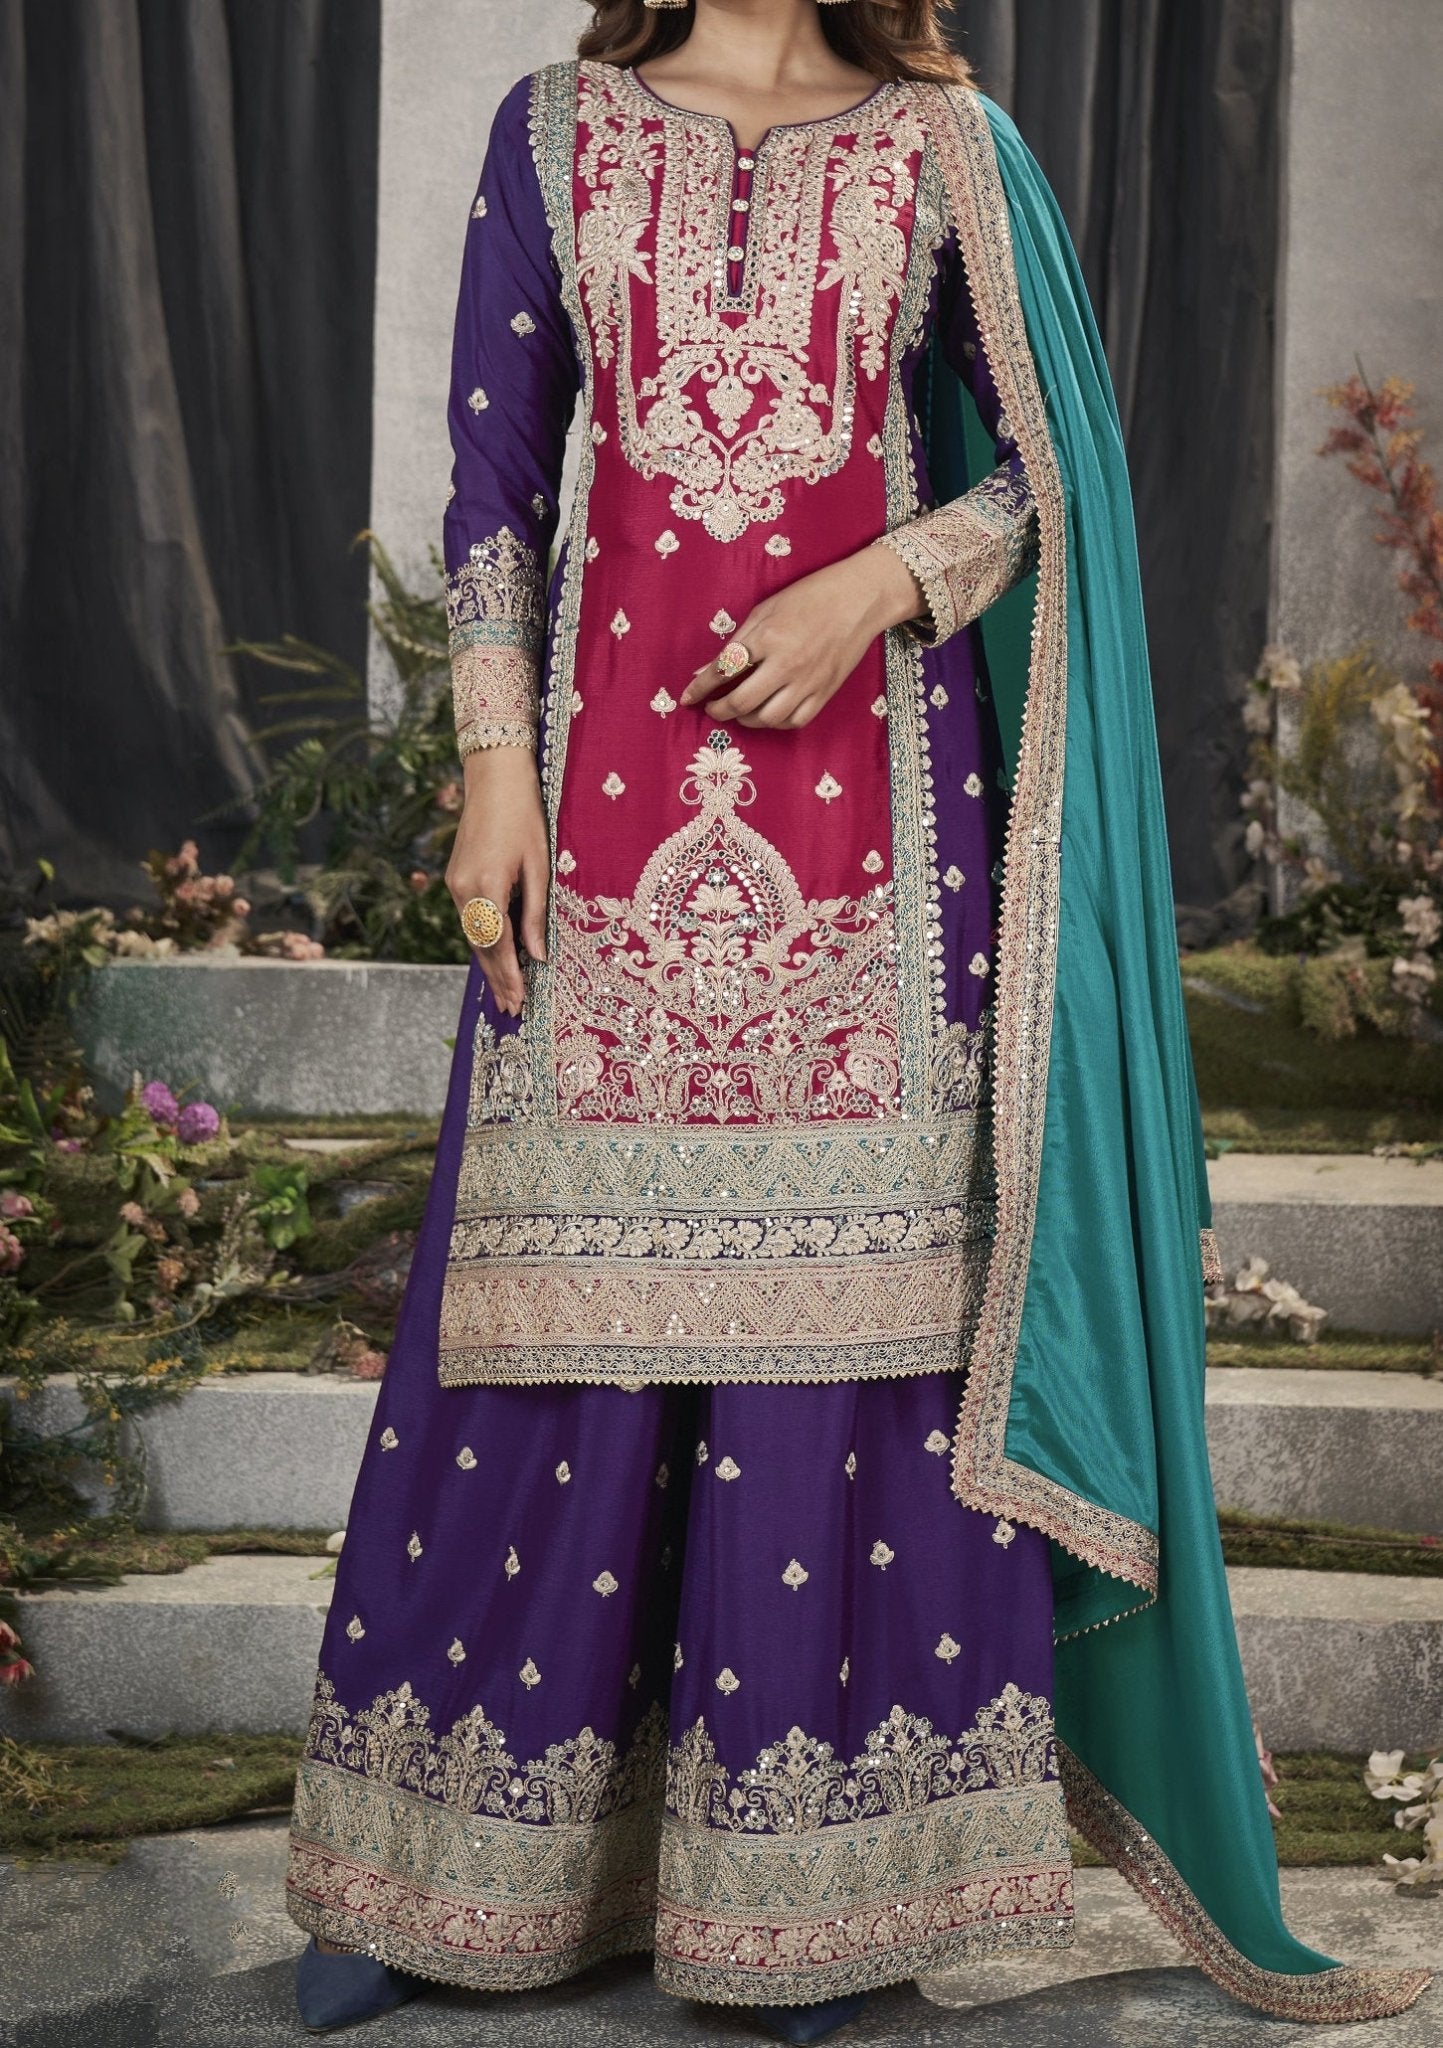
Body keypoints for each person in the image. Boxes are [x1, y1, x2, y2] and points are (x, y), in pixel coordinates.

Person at [285, 2, 1430, 2039]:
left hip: (879, 872)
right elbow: (490, 479)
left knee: (854, 1338)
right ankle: (442, 1864)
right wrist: (487, 761)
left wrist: (877, 585)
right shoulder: (551, 132)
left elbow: (1045, 477)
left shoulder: (948, 147)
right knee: (544, 1320)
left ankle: (817, 1894)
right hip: (606, 819)